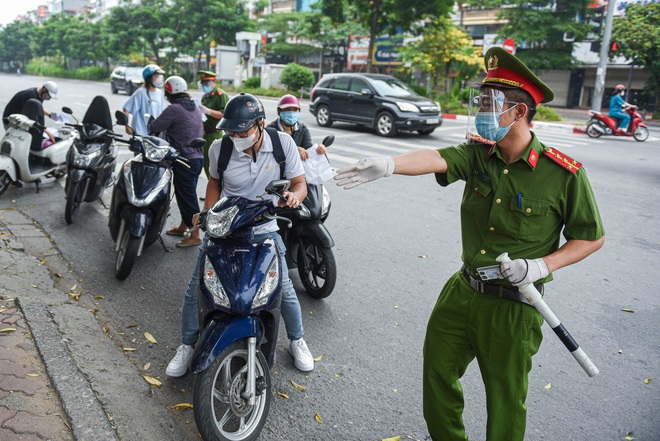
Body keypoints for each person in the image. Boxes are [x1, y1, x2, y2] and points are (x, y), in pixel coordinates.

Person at [334, 47, 606, 441]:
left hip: (515, 306)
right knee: (437, 375)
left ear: (519, 112)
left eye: (489, 102)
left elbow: (591, 237)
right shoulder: (480, 154)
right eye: (480, 100)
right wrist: (389, 164)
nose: (481, 109)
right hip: (463, 291)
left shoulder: (563, 174)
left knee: (506, 400)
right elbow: (437, 157)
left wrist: (543, 266)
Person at [166, 92, 315, 377]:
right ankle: (186, 345)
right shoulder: (220, 149)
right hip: (225, 228)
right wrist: (207, 213)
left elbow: (299, 184)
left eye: (241, 129)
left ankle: (297, 340)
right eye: (230, 130)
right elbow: (214, 182)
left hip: (264, 228)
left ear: (260, 124)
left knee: (283, 288)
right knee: (195, 288)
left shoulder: (284, 144)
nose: (235, 135)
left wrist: (294, 197)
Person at [148, 76, 204, 248]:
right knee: (185, 195)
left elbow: (154, 128)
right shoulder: (195, 107)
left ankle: (195, 235)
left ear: (169, 92)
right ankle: (182, 227)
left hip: (184, 160)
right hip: (197, 159)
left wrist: (151, 120)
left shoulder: (174, 109)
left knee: (187, 199)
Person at [268, 94, 327, 160]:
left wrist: (319, 150)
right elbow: (270, 149)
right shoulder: (271, 130)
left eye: (295, 110)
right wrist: (295, 149)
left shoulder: (302, 129)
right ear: (279, 111)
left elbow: (309, 149)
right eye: (287, 109)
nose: (291, 113)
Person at [196, 69, 228, 180]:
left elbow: (224, 114)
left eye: (207, 83)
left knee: (214, 162)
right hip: (205, 133)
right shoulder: (205, 96)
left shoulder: (220, 95)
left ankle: (217, 191)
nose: (205, 86)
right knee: (206, 162)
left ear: (214, 82)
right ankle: (211, 191)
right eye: (203, 83)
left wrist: (208, 111)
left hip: (215, 133)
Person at [123, 64, 165, 136]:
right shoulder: (141, 92)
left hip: (154, 134)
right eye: (156, 76)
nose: (159, 78)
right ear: (149, 78)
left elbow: (161, 113)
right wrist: (127, 126)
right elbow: (126, 109)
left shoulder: (159, 93)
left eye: (159, 76)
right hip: (141, 134)